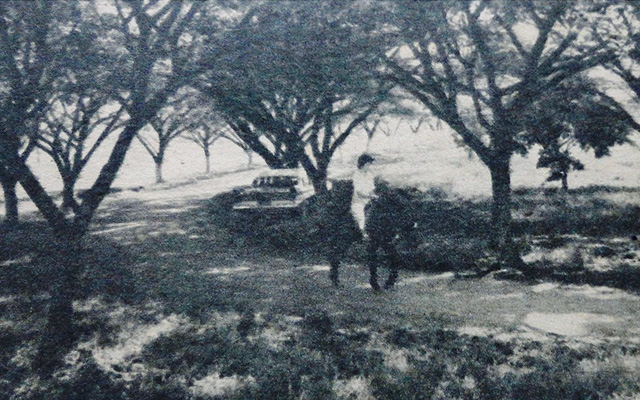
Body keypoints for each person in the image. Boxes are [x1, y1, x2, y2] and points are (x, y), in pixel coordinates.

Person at [352, 153, 406, 291]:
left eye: (370, 163)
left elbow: (375, 187)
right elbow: (358, 192)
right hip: (360, 200)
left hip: (373, 198)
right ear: (362, 163)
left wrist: (378, 194)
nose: (369, 165)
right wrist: (371, 195)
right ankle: (366, 233)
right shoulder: (357, 174)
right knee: (362, 214)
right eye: (368, 163)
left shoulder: (370, 174)